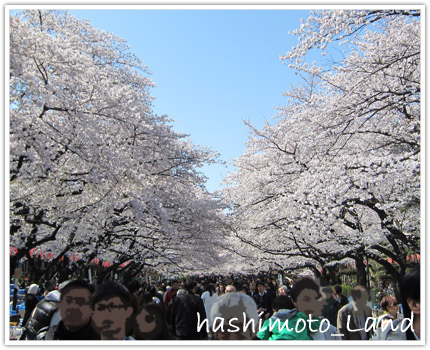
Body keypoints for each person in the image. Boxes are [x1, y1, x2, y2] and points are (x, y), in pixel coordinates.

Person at [375, 265, 420, 340]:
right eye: (394, 304)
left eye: (397, 303)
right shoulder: (387, 326)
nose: (397, 306)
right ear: (414, 305)